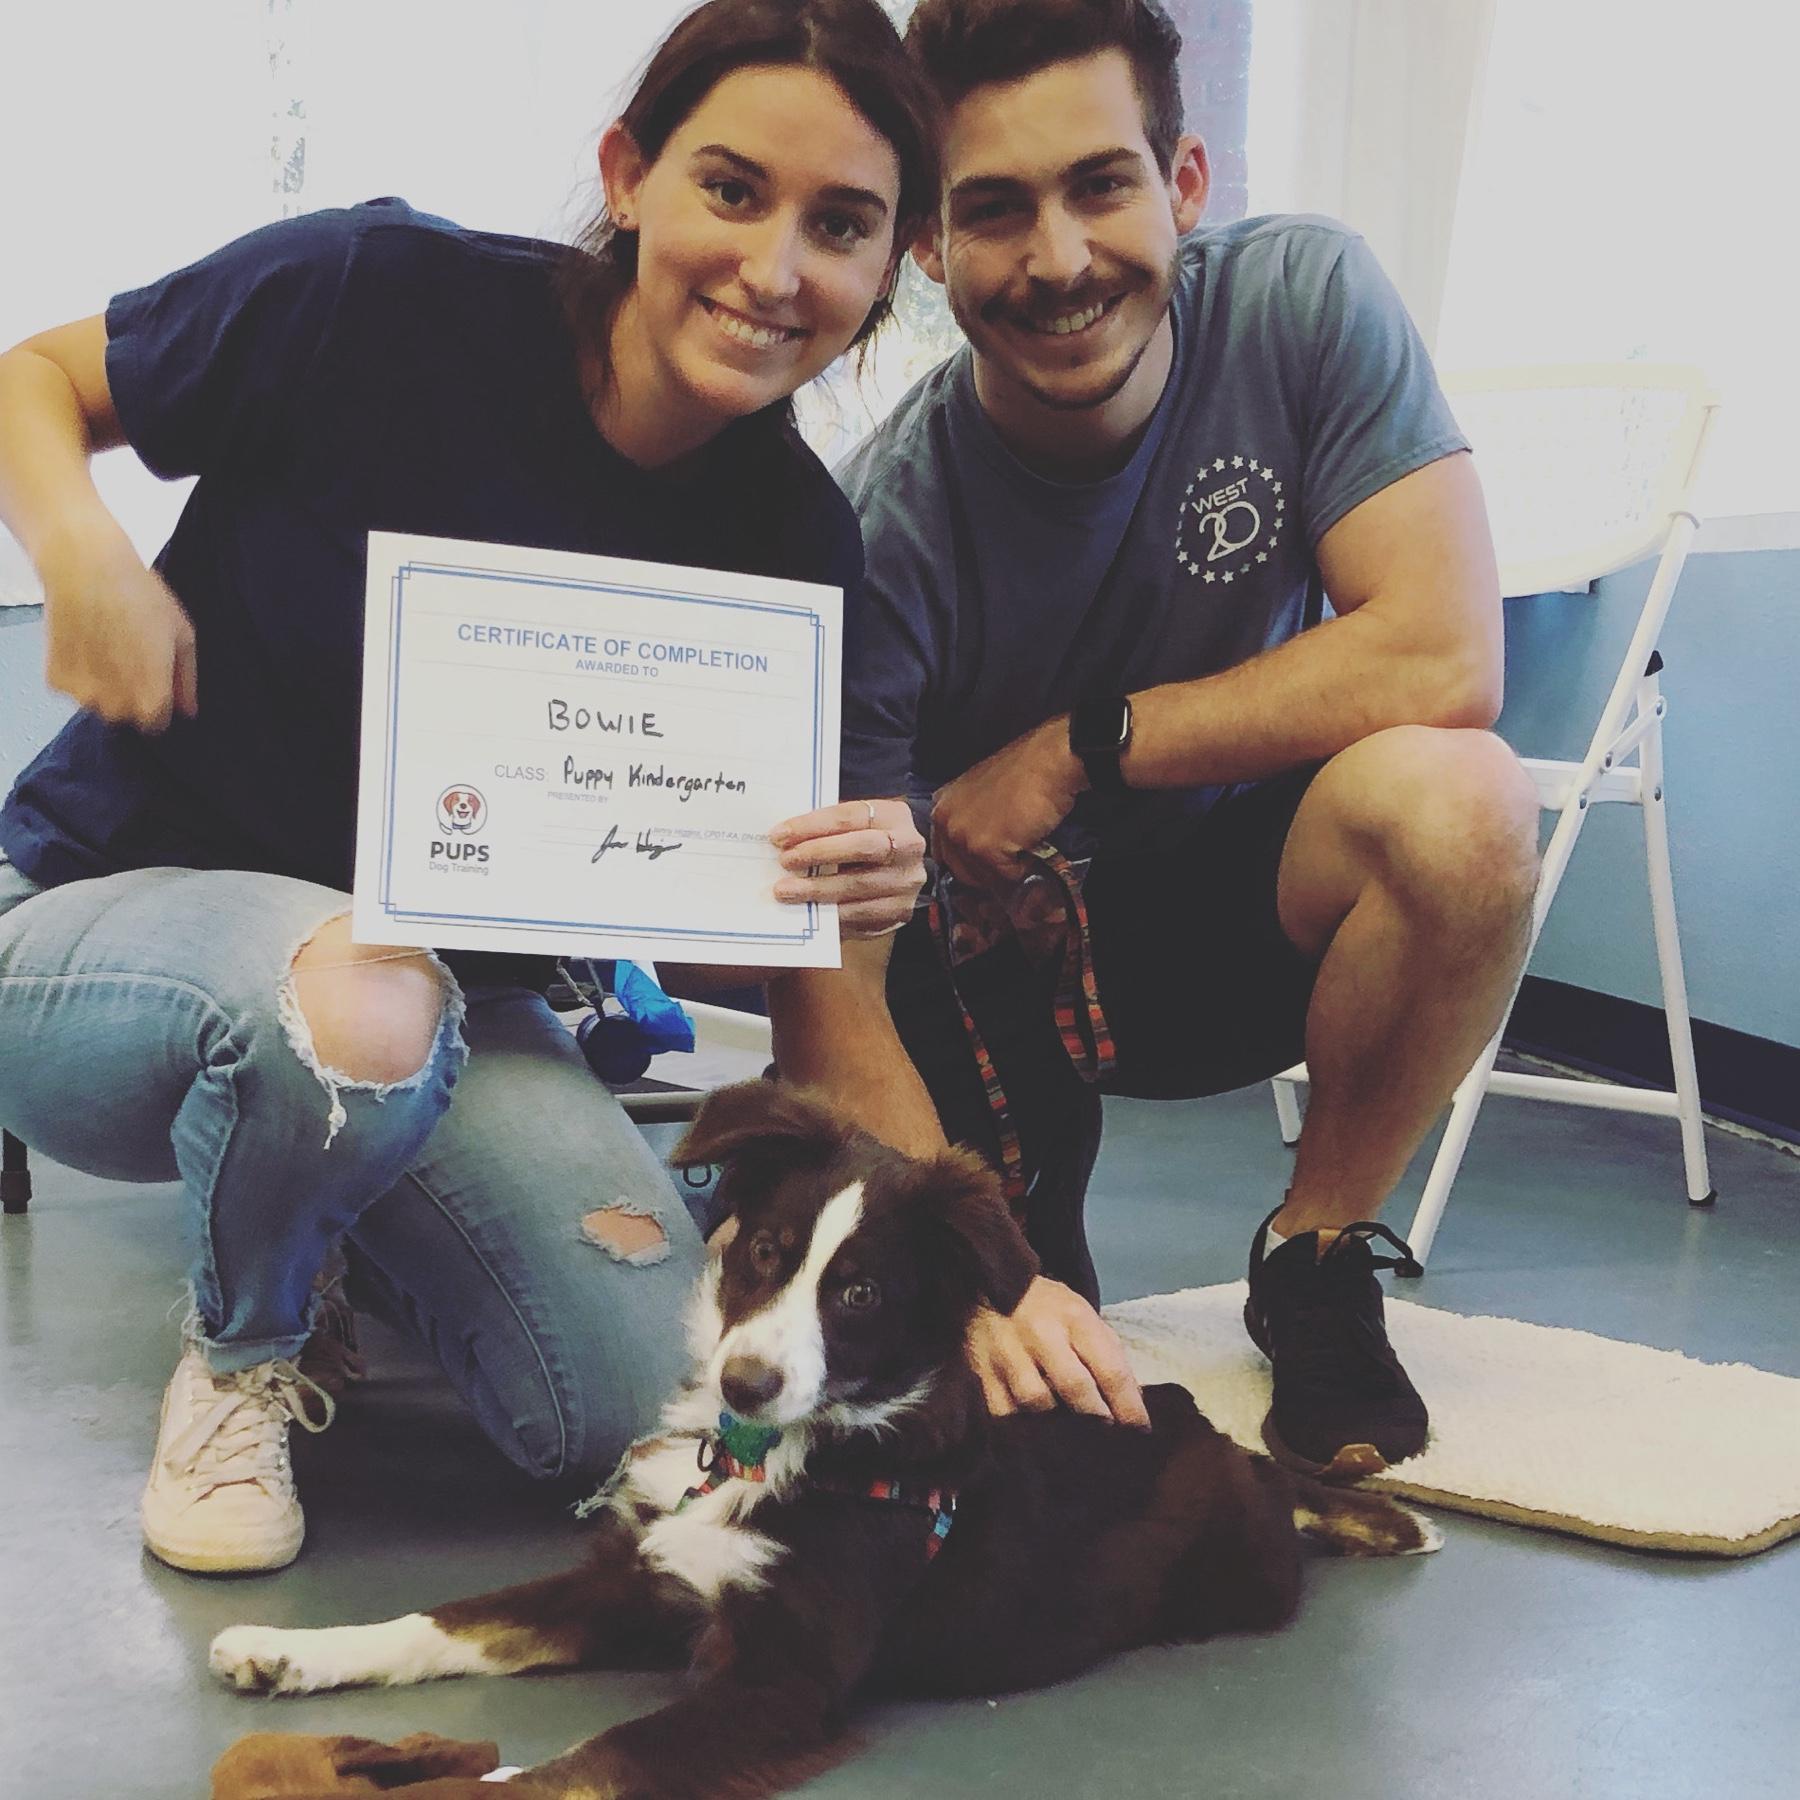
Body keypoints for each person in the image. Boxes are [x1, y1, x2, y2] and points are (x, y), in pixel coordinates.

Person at [0, 0, 933, 1574]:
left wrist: (856, 905)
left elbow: (809, 992)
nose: (776, 269)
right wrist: (80, 547)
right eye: (731, 189)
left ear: (891, 265)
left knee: (638, 1399)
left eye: (840, 226)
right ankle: (244, 1353)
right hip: (99, 929)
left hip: (452, 1009)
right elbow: (31, 378)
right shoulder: (375, 292)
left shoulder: (795, 550)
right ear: (626, 175)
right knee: (361, 1000)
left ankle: (334, 1210)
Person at [767, 0, 1543, 1480]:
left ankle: (1316, 1258)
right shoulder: (880, 531)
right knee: (1030, 1399)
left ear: (1184, 183)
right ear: (930, 247)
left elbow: (1447, 652)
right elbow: (835, 965)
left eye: (1100, 185)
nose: (1060, 260)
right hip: (989, 971)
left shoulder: (1304, 300)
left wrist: (1081, 742)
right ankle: (1022, 1236)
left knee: (1465, 799)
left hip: (1254, 917)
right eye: (997, 210)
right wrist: (971, 1263)